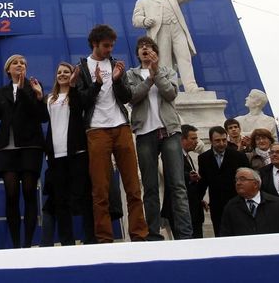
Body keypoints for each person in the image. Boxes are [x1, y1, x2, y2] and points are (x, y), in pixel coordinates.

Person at [75, 24, 148, 243]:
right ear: (95, 44)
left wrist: (117, 80)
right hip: (96, 130)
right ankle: (104, 239)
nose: (109, 49)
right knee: (100, 189)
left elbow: (126, 98)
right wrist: (97, 84)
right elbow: (80, 102)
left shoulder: (116, 65)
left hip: (121, 127)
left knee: (133, 186)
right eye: (106, 46)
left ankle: (139, 235)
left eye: (111, 45)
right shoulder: (82, 66)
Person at [127, 36, 192, 240]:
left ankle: (185, 234)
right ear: (138, 53)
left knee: (178, 185)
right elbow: (132, 96)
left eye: (149, 47)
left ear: (156, 52)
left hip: (170, 131)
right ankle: (153, 233)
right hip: (145, 133)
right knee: (150, 186)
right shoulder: (131, 73)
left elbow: (171, 94)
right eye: (141, 47)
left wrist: (156, 72)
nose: (145, 49)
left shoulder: (167, 71)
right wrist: (149, 78)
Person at [0, 55, 47, 248]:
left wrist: (30, 94)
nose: (19, 65)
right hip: (7, 147)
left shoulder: (34, 87)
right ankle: (15, 244)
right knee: (11, 193)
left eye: (23, 63)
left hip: (30, 146)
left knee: (29, 192)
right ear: (8, 70)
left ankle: (28, 243)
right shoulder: (2, 91)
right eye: (15, 63)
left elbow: (41, 116)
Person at [131, 0, 214, 92]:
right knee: (164, 62)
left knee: (184, 57)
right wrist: (144, 20)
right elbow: (135, 19)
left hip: (177, 30)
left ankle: (191, 87)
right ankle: (170, 87)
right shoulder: (142, 2)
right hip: (159, 32)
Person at [43, 62, 95, 245]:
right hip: (56, 156)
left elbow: (79, 107)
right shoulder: (50, 99)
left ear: (73, 75)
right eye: (59, 72)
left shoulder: (76, 95)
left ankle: (89, 238)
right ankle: (67, 241)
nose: (62, 74)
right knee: (60, 199)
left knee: (83, 195)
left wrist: (73, 86)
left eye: (66, 72)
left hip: (77, 152)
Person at [197, 126, 250, 236]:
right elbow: (203, 182)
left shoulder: (238, 156)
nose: (221, 143)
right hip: (217, 206)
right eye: (217, 141)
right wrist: (198, 199)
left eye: (224, 140)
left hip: (238, 203)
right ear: (211, 141)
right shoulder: (203, 158)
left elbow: (248, 179)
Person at [219, 167, 279, 236]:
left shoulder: (277, 204)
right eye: (236, 180)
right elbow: (225, 233)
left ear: (255, 184)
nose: (238, 183)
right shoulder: (231, 206)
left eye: (242, 179)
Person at [162, 124, 204, 238]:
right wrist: (188, 177)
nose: (196, 142)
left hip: (194, 209)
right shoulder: (172, 156)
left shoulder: (188, 156)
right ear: (182, 140)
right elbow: (170, 175)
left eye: (196, 138)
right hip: (180, 211)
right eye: (193, 138)